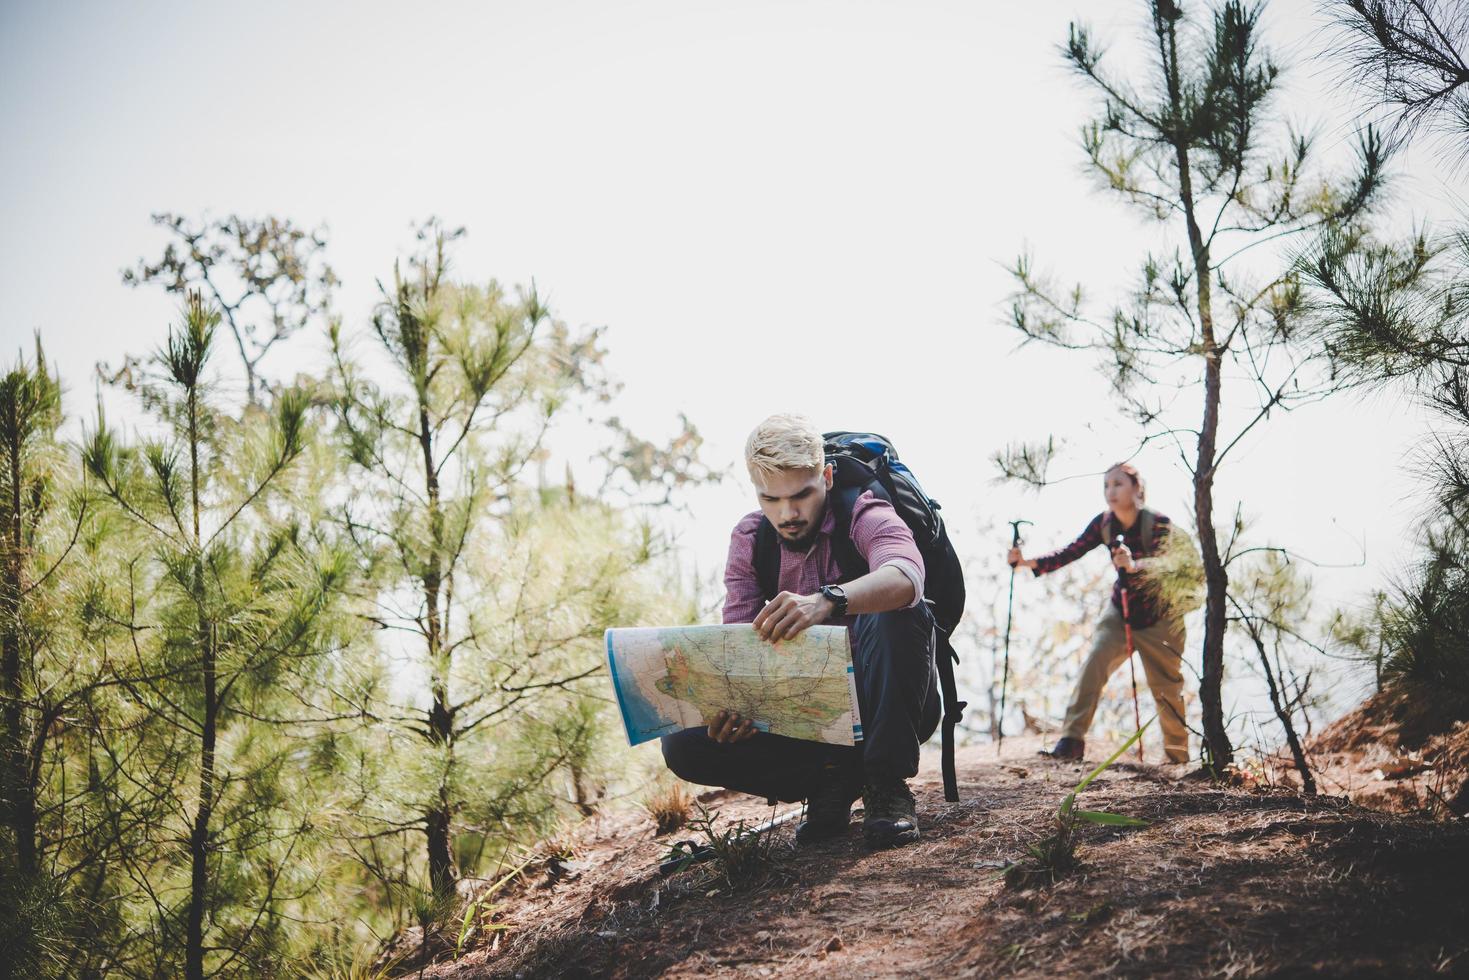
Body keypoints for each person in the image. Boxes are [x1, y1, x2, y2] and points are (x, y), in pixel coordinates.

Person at [659, 414, 940, 849]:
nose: (787, 514)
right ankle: (829, 780)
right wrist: (732, 708)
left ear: (826, 477)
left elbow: (906, 576)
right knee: (683, 745)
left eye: (802, 495)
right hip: (804, 719)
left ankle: (886, 785)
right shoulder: (752, 539)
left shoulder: (865, 511)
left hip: (890, 705)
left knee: (894, 611)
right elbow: (740, 648)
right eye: (771, 499)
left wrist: (827, 600)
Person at [1007, 463, 1191, 764]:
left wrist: (1135, 566)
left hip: (1160, 617)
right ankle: (1071, 742)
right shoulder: (1104, 523)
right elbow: (1071, 551)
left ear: (1136, 487)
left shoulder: (1158, 524)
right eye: (1106, 485)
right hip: (1120, 612)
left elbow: (1173, 567)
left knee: (1167, 688)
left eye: (1118, 484)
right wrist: (1026, 562)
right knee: (1093, 666)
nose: (1111, 491)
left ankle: (1178, 759)